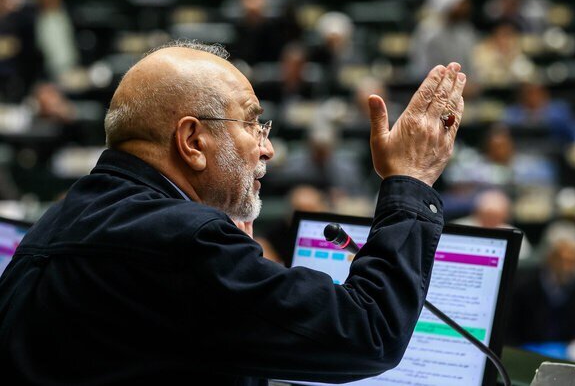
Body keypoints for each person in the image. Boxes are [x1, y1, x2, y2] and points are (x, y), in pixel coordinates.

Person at [0, 40, 466, 384]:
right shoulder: (183, 241)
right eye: (251, 122)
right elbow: (369, 331)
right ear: (192, 141)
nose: (267, 148)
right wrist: (411, 180)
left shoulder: (60, 220)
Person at [507, 221, 575, 345]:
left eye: (573, 260)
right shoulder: (524, 287)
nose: (567, 267)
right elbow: (512, 332)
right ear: (548, 257)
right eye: (561, 259)